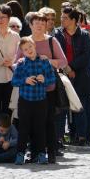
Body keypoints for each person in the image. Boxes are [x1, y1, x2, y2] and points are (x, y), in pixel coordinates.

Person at [15, 12, 67, 163]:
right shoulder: (25, 42)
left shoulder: (52, 41)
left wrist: (49, 61)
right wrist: (21, 67)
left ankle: (50, 153)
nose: (39, 26)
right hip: (29, 92)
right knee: (30, 124)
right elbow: (14, 63)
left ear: (46, 26)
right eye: (35, 23)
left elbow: (63, 61)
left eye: (42, 24)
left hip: (48, 90)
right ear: (30, 25)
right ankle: (33, 153)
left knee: (49, 122)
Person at [12, 37, 56, 165]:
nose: (29, 50)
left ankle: (41, 154)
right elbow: (14, 81)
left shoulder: (44, 62)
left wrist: (44, 79)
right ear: (22, 52)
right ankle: (20, 154)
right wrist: (25, 80)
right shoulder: (21, 64)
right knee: (23, 128)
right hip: (25, 101)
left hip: (41, 101)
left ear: (34, 46)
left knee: (40, 128)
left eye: (30, 47)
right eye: (25, 49)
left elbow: (52, 79)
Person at [55, 7, 90, 146]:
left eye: (65, 18)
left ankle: (82, 137)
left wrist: (71, 67)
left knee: (81, 105)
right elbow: (56, 53)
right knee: (61, 106)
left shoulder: (84, 35)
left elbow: (86, 56)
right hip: (62, 74)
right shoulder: (57, 34)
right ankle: (59, 137)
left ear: (73, 20)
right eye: (61, 17)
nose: (62, 20)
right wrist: (66, 68)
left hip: (81, 75)